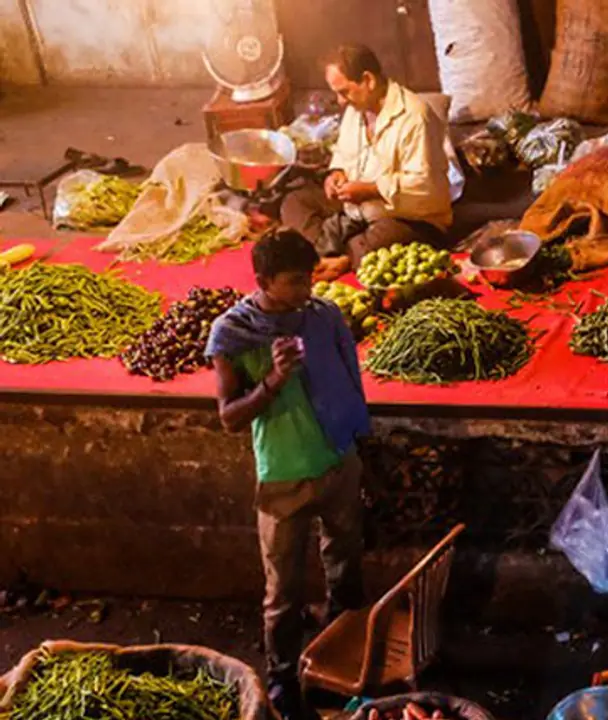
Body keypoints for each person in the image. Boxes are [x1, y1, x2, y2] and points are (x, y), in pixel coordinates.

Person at [206, 229, 372, 720]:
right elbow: (230, 417)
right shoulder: (232, 335)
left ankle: (344, 660)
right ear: (263, 281)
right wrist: (274, 380)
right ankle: (281, 677)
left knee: (346, 567)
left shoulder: (324, 317)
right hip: (283, 477)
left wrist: (360, 446)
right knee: (283, 591)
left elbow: (351, 381)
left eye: (310, 278)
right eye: (295, 282)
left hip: (339, 462)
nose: (307, 290)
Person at [282, 43, 452, 281]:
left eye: (344, 92)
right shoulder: (356, 109)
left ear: (368, 80)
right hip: (355, 208)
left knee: (376, 243)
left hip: (405, 216)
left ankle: (340, 255)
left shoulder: (415, 116)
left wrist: (372, 191)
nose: (340, 101)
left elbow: (425, 187)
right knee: (295, 202)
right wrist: (336, 174)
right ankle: (334, 251)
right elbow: (342, 152)